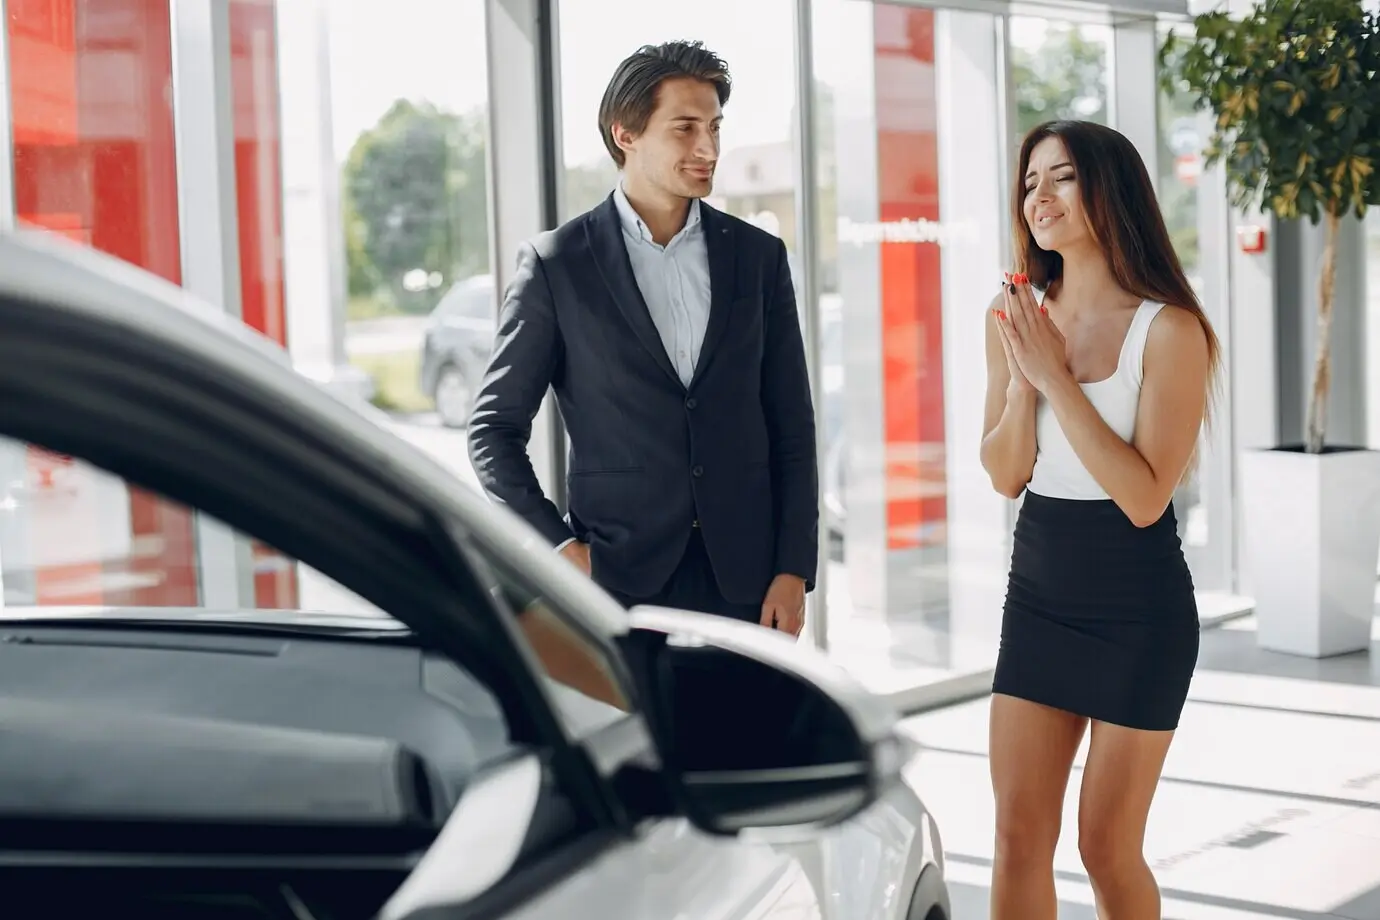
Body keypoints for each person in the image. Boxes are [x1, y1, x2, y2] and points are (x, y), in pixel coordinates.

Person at [467, 40, 817, 636]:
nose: (709, 148)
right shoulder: (558, 265)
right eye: (685, 128)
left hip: (750, 583)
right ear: (625, 134)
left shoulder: (758, 258)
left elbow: (792, 426)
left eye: (714, 127)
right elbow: (492, 431)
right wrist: (558, 548)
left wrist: (793, 567)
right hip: (616, 582)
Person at [981, 120, 1219, 920]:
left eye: (1062, 177)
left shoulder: (1170, 329)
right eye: (1030, 182)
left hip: (1138, 610)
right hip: (1038, 595)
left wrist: (1056, 378)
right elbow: (1005, 474)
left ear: (1109, 191)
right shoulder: (1011, 314)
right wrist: (1024, 381)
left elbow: (1146, 498)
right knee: (1016, 837)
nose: (1039, 197)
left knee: (1105, 847)